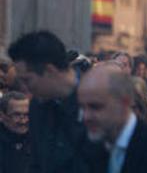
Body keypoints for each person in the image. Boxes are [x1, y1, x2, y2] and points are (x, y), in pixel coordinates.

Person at [8, 31, 89, 173]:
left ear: (49, 71)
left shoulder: (96, 101)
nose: (25, 88)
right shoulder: (37, 105)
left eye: (28, 80)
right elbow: (37, 163)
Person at [0, 91, 32, 172]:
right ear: (1, 116)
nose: (23, 121)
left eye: (27, 115)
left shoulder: (37, 139)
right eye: (17, 115)